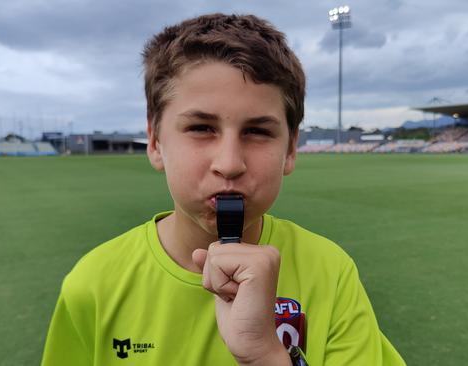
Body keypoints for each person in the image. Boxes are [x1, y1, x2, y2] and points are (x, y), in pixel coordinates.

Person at [41, 13, 405, 366]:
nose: (230, 163)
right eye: (201, 127)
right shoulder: (93, 284)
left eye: (258, 131)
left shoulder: (331, 272)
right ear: (154, 142)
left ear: (290, 150)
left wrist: (267, 357)